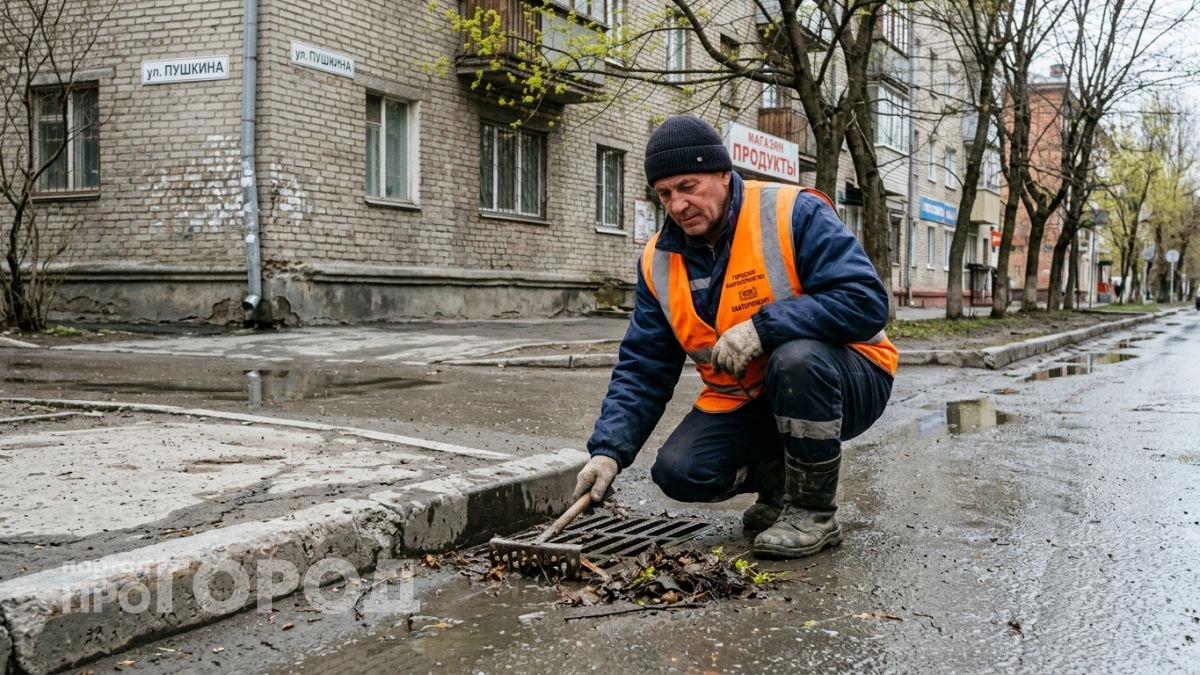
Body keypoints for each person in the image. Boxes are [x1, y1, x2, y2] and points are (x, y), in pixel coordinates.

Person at [573, 115, 897, 560]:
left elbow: (865, 302)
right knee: (679, 471)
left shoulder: (792, 212)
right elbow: (644, 366)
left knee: (796, 358)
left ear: (725, 174)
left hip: (848, 378)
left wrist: (765, 327)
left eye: (688, 186)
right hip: (750, 399)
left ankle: (812, 512)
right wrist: (609, 450)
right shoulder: (658, 262)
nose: (678, 204)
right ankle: (783, 485)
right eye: (665, 193)